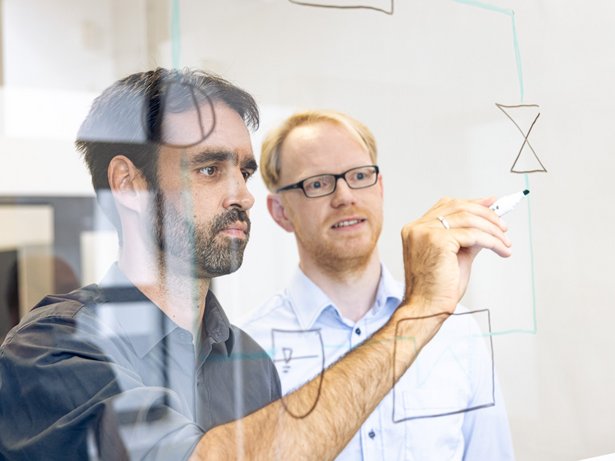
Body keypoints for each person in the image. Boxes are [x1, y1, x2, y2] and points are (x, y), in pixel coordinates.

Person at [0, 68, 513, 460]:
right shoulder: (52, 352)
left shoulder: (245, 359)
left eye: (243, 171)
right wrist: (420, 309)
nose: (242, 195)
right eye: (208, 168)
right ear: (129, 185)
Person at [240, 110, 515, 460]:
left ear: (380, 188)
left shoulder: (456, 331)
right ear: (280, 212)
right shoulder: (248, 352)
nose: (345, 196)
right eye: (318, 183)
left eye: (359, 175)